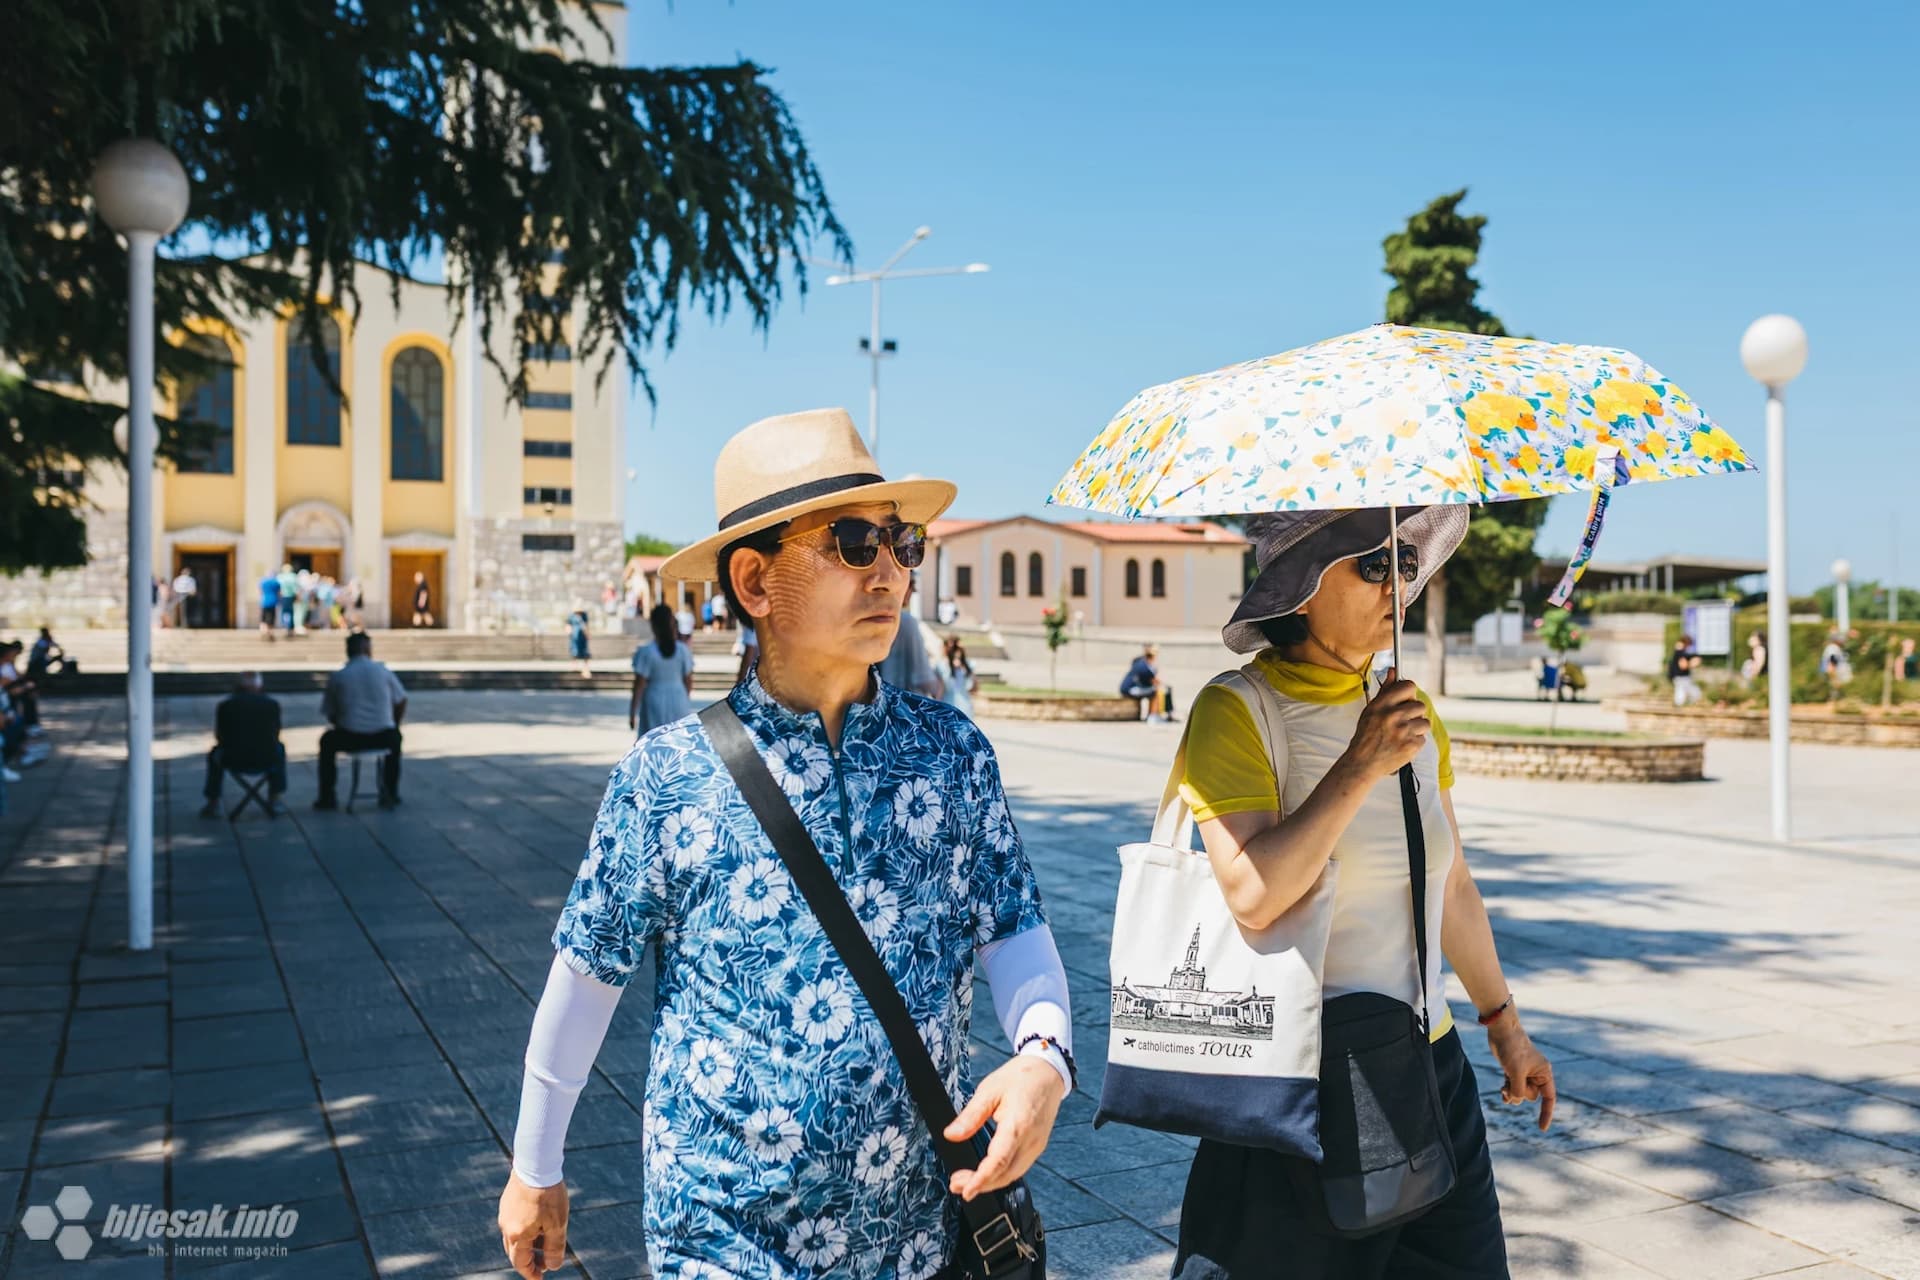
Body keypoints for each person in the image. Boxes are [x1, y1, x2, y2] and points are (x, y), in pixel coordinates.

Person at [499, 407, 1069, 1279]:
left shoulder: (951, 755)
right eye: (852, 543)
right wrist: (535, 1169)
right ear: (757, 582)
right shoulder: (665, 777)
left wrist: (1044, 1059)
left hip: (914, 1239)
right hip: (724, 1240)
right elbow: (584, 982)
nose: (889, 573)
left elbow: (1014, 927)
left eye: (900, 543)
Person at [1171, 507, 1552, 1279]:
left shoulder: (1411, 713)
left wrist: (1504, 1024)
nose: (1399, 585)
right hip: (1302, 1087)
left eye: (1407, 564)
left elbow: (1451, 888)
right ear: (1300, 588)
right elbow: (1253, 892)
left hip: (1428, 1067)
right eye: (1374, 566)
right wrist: (1359, 763)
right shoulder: (1236, 710)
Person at [315, 632, 407, 809]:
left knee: (327, 742)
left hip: (350, 736)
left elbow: (329, 711)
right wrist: (394, 723)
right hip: (382, 734)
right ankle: (391, 792)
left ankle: (327, 796)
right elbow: (401, 699)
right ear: (366, 649)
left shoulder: (339, 676)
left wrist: (344, 723)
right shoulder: (383, 671)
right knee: (395, 739)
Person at [199, 672, 286, 818]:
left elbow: (220, 736)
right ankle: (275, 797)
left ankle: (213, 802)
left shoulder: (226, 705)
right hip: (267, 758)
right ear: (260, 686)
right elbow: (276, 733)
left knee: (214, 754)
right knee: (279, 749)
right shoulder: (272, 705)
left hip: (232, 759)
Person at [628, 604, 695, 735]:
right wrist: (684, 699)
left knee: (654, 741)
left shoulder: (646, 652)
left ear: (653, 625)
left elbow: (639, 685)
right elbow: (688, 681)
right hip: (678, 697)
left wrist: (632, 711)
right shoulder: (682, 651)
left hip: (654, 698)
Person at [878, 575, 944, 697]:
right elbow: (924, 679)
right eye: (912, 586)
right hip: (903, 704)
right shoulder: (906, 622)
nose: (912, 593)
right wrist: (941, 682)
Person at [1121, 643, 1175, 722]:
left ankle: (1152, 714)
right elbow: (1154, 681)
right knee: (1154, 692)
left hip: (1127, 688)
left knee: (1153, 691)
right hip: (1129, 689)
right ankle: (1152, 716)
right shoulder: (1144, 667)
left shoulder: (1139, 662)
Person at [942, 636, 979, 718]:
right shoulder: (942, 666)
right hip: (948, 705)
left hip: (964, 707)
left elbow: (975, 688)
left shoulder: (968, 666)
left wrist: (965, 669)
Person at [1669, 634, 1702, 707]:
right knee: (1695, 694)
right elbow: (1683, 665)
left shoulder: (1678, 651)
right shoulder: (1680, 652)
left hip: (1679, 677)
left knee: (1681, 694)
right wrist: (1693, 663)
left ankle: (1680, 708)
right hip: (1682, 678)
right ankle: (1683, 708)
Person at [1820, 631, 1853, 701]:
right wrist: (1833, 674)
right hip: (1834, 672)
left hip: (1835, 673)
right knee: (1834, 689)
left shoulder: (1835, 647)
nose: (1843, 640)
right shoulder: (1833, 647)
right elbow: (1832, 660)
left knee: (1836, 690)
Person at [568, 608, 593, 678]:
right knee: (574, 652)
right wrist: (569, 631)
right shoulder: (572, 616)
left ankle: (585, 670)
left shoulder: (584, 615)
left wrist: (587, 633)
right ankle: (575, 666)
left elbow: (586, 626)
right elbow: (568, 624)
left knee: (585, 653)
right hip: (575, 637)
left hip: (582, 637)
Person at [258, 571, 282, 640]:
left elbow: (260, 591)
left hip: (264, 601)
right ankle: (270, 632)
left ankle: (263, 631)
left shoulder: (263, 581)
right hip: (273, 601)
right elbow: (279, 592)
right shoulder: (276, 582)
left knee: (263, 617)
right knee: (271, 617)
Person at [276, 563, 299, 634]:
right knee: (291, 612)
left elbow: (278, 588)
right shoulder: (293, 576)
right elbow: (295, 588)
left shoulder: (280, 577)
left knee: (284, 612)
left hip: (283, 596)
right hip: (290, 596)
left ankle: (285, 625)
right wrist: (297, 597)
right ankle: (290, 627)